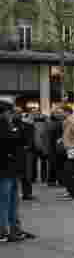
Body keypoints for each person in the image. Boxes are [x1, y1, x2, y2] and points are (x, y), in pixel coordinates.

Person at [0, 97, 28, 242]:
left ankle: (13, 229)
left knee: (12, 200)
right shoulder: (4, 125)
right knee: (5, 201)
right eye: (10, 111)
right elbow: (12, 141)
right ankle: (4, 231)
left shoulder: (12, 124)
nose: (12, 114)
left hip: (11, 168)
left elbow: (21, 140)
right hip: (4, 168)